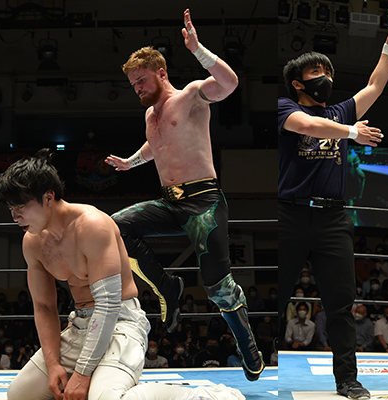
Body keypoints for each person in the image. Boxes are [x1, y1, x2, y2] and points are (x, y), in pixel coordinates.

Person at [0, 150, 245, 400]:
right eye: (11, 208)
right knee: (19, 395)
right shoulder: (33, 242)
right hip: (79, 326)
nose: (15, 216)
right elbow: (44, 306)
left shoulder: (92, 225)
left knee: (107, 399)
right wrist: (53, 365)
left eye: (21, 206)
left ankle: (202, 395)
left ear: (48, 197)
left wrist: (82, 373)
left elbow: (108, 304)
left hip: (121, 324)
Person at [104, 9, 263, 381]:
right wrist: (131, 162)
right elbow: (157, 146)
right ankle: (168, 287)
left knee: (218, 287)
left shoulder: (191, 95)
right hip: (169, 203)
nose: (138, 88)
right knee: (115, 227)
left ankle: (247, 345)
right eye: (133, 84)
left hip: (204, 203)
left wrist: (198, 50)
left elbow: (229, 83)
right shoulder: (151, 116)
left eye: (142, 80)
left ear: (161, 73)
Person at [278, 22, 388, 395]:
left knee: (341, 304)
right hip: (290, 215)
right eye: (317, 72)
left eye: (328, 72)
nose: (326, 78)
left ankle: (347, 379)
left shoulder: (341, 110)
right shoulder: (284, 107)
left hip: (333, 218)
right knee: (278, 297)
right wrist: (352, 132)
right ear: (298, 83)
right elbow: (310, 126)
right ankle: (261, 368)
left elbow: (375, 85)